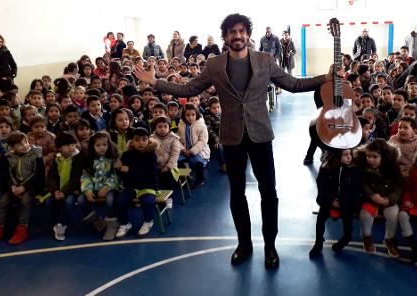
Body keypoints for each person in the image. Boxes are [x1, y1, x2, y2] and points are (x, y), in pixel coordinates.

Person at [134, 13, 329, 269]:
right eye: (231, 32)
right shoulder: (215, 64)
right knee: (237, 193)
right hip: (232, 137)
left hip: (260, 135)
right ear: (225, 37)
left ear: (248, 34)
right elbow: (189, 89)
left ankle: (270, 245)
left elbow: (293, 84)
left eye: (241, 31)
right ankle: (244, 244)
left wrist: (325, 78)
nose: (237, 36)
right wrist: (156, 82)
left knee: (268, 192)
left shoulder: (265, 60)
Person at [0, 132, 45, 245]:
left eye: (26, 142)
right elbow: (7, 174)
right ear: (12, 147)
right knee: (4, 200)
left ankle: (22, 229)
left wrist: (23, 187)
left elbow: (38, 175)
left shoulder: (36, 155)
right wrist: (13, 186)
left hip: (32, 186)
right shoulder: (8, 157)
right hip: (15, 187)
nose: (25, 146)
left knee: (25, 200)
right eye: (20, 144)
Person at [308, 149, 362, 257]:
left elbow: (356, 190)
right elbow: (322, 187)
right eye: (345, 155)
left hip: (346, 202)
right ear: (337, 156)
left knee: (348, 218)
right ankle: (318, 242)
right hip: (329, 201)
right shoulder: (326, 168)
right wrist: (331, 200)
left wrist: (343, 201)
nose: (349, 157)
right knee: (321, 217)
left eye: (350, 154)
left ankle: (346, 237)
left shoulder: (354, 169)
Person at [356, 139, 403, 256]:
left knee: (393, 215)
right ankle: (366, 237)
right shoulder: (362, 165)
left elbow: (399, 186)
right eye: (368, 156)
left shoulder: (393, 167)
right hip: (370, 199)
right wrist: (372, 195)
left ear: (384, 156)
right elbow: (362, 183)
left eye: (375, 157)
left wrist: (389, 199)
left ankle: (389, 239)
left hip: (388, 200)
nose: (370, 160)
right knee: (365, 214)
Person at [80, 132, 121, 241]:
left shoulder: (114, 158)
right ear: (93, 147)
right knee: (81, 199)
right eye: (98, 145)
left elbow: (116, 175)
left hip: (112, 187)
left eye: (104, 144)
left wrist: (107, 187)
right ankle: (97, 221)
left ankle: (112, 224)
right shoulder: (89, 160)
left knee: (110, 199)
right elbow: (85, 176)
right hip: (94, 188)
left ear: (109, 145)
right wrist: (88, 190)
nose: (102, 148)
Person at [46, 132, 84, 241]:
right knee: (49, 202)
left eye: (73, 144)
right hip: (58, 190)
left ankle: (62, 224)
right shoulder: (57, 158)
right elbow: (52, 177)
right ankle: (58, 223)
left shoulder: (78, 158)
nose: (71, 147)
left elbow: (76, 179)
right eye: (67, 145)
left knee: (69, 202)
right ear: (59, 148)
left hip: (73, 190)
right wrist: (55, 191)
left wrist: (64, 192)